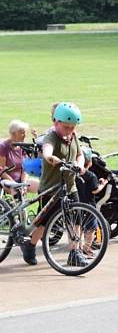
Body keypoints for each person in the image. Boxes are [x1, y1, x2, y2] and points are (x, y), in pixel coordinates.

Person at [23, 102, 86, 267]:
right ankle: (29, 245)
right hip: (52, 188)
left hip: (70, 186)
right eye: (66, 127)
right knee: (44, 222)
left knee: (76, 220)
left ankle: (75, 253)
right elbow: (47, 152)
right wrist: (53, 159)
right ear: (56, 123)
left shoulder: (73, 137)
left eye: (73, 127)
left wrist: (80, 164)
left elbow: (79, 155)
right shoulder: (51, 137)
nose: (70, 130)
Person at [76, 147, 108, 258]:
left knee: (78, 229)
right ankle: (87, 248)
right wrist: (103, 183)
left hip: (76, 206)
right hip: (89, 207)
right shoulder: (91, 175)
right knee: (90, 230)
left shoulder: (74, 175)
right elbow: (95, 190)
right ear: (89, 163)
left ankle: (78, 249)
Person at [0, 120, 39, 194]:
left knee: (42, 187)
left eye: (24, 132)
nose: (25, 135)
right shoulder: (3, 147)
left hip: (21, 181)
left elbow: (25, 168)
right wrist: (16, 184)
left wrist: (23, 183)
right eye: (22, 132)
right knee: (16, 192)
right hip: (6, 181)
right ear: (13, 134)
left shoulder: (22, 146)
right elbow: (1, 171)